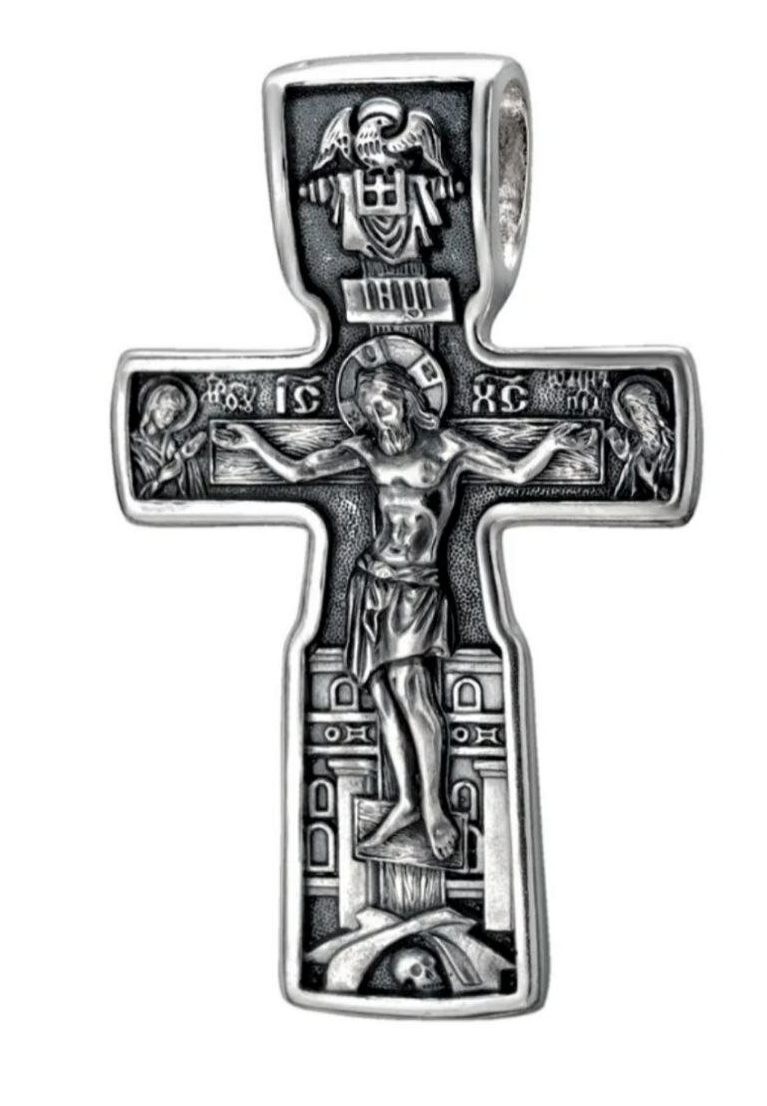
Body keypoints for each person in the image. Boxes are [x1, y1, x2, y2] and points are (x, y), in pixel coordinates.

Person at [214, 360, 591, 860]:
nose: (380, 415)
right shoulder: (366, 450)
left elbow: (515, 472)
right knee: (383, 696)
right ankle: (407, 802)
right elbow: (300, 470)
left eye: (385, 403)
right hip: (373, 584)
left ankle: (434, 807)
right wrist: (253, 443)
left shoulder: (447, 447)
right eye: (370, 408)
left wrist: (553, 445)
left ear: (407, 397)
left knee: (412, 688)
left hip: (417, 586)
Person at [131, 381, 207, 499]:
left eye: (174, 414)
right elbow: (138, 495)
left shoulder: (170, 443)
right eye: (167, 410)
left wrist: (183, 456)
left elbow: (185, 487)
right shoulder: (133, 445)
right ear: (152, 406)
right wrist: (159, 480)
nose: (170, 418)